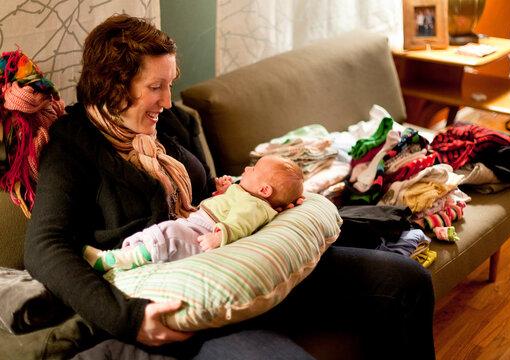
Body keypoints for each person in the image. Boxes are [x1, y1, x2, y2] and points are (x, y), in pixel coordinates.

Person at [24, 13, 436, 359]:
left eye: (170, 83)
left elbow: (212, 194)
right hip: (181, 294)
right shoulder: (72, 145)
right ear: (113, 85)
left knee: (407, 281)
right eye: (155, 87)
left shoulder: (168, 124)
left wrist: (253, 201)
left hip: (235, 257)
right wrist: (129, 319)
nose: (168, 101)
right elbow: (44, 248)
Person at [82, 155, 304, 271]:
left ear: (264, 190)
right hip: (197, 222)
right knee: (161, 231)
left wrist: (220, 236)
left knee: (169, 234)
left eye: (253, 169)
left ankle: (117, 259)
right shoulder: (248, 196)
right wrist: (225, 191)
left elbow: (239, 222)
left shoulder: (255, 206)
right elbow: (231, 205)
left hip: (205, 232)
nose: (246, 169)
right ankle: (125, 254)